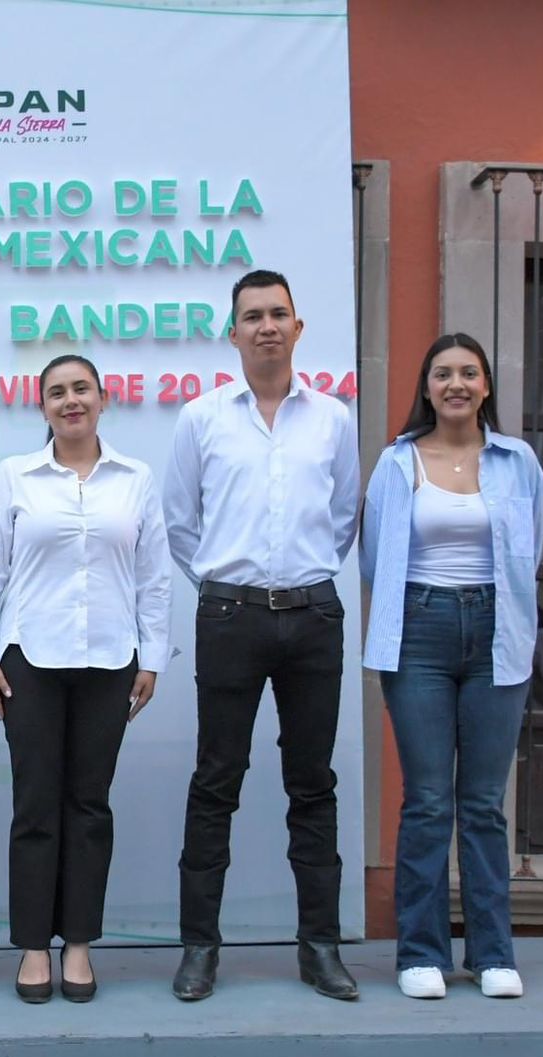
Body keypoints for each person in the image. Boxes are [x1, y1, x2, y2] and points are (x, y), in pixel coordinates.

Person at [162, 269, 361, 1002]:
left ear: (298, 328)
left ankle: (320, 949)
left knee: (313, 785)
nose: (267, 326)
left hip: (312, 617)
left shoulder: (333, 419)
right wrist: (229, 588)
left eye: (280, 313)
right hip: (230, 618)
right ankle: (199, 950)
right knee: (216, 781)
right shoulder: (202, 418)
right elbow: (181, 524)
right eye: (253, 316)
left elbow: (342, 519)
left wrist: (298, 580)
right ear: (233, 332)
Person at [0, 354, 170, 1003]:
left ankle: (77, 944)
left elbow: (154, 576)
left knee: (87, 806)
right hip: (30, 661)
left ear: (104, 399)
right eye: (57, 392)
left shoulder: (134, 478)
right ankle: (31, 947)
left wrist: (154, 656)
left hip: (111, 662)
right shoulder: (16, 477)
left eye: (82, 389)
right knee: (35, 806)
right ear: (43, 407)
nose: (71, 400)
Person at [360, 333, 543, 1000]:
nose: (457, 384)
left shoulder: (517, 462)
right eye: (444, 373)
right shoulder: (398, 462)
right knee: (429, 800)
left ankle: (492, 952)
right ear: (427, 388)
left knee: (483, 805)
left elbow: (532, 548)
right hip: (420, 631)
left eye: (469, 373)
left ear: (486, 386)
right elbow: (377, 558)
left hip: (498, 630)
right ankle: (421, 954)